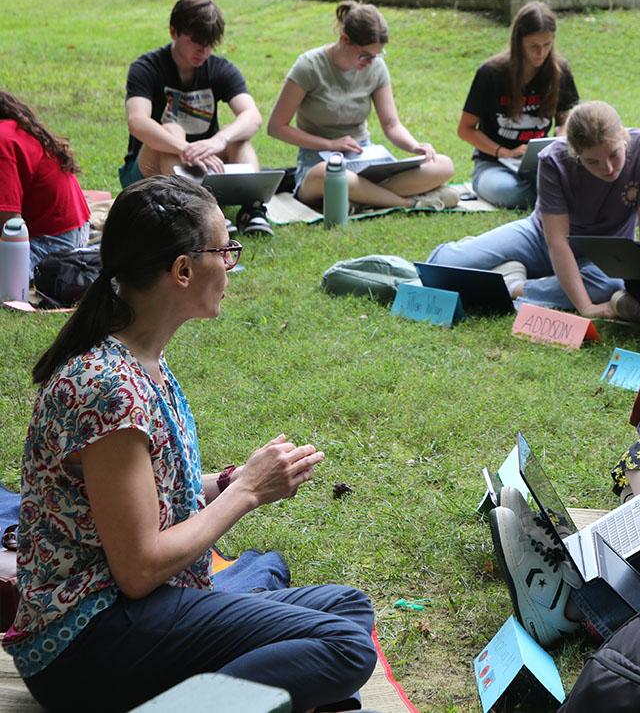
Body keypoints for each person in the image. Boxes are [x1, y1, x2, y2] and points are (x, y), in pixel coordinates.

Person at [4, 176, 376, 713]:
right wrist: (244, 492)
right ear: (182, 270)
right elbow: (138, 570)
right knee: (342, 648)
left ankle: (218, 699)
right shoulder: (107, 387)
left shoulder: (141, 363)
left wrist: (223, 481)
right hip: (84, 645)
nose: (230, 263)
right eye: (225, 249)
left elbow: (140, 494)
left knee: (347, 609)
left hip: (134, 615)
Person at [426, 101, 640, 319]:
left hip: (606, 250)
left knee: (606, 285)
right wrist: (585, 306)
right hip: (539, 237)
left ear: (624, 137)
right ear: (575, 153)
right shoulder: (553, 158)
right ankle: (495, 260)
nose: (608, 168)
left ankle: (514, 286)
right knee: (443, 267)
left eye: (614, 155)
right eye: (593, 161)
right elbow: (557, 241)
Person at [267, 0, 457, 211]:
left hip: (367, 161)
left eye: (376, 56)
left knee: (443, 164)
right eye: (365, 55)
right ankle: (409, 202)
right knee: (328, 174)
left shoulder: (376, 68)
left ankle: (360, 197)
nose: (370, 62)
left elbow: (391, 124)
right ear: (344, 39)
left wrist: (415, 146)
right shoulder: (309, 66)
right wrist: (330, 145)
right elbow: (276, 126)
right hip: (319, 162)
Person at [122, 0, 272, 236]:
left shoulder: (220, 68)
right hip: (148, 170)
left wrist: (219, 140)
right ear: (174, 32)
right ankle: (196, 215)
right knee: (172, 129)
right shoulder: (146, 67)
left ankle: (252, 208)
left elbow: (252, 115)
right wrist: (182, 148)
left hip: (204, 167)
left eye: (210, 44)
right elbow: (137, 122)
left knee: (236, 134)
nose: (204, 50)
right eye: (196, 41)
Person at [457, 1, 579, 209]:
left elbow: (564, 120)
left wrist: (559, 141)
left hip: (541, 162)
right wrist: (505, 152)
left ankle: (551, 191)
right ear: (519, 42)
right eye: (533, 46)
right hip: (494, 164)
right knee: (511, 192)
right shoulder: (490, 73)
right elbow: (465, 130)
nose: (541, 53)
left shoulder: (559, 70)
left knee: (579, 178)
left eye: (547, 45)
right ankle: (552, 194)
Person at [0, 90, 90, 274]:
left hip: (54, 240)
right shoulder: (10, 129)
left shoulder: (2, 141)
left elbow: (10, 224)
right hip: (73, 230)